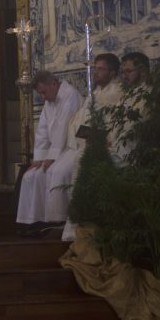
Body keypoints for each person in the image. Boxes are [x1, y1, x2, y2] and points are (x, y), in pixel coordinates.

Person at [49, 54, 123, 239]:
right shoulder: (95, 95)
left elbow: (117, 124)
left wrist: (101, 138)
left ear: (113, 72)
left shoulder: (119, 94)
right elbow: (81, 121)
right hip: (88, 144)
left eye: (100, 69)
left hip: (106, 147)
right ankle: (74, 226)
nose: (95, 73)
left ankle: (85, 227)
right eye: (95, 68)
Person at [15, 71, 83, 236]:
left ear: (53, 84)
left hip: (71, 147)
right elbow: (43, 131)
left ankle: (57, 220)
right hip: (56, 150)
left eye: (44, 92)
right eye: (40, 94)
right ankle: (34, 221)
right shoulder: (50, 101)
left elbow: (62, 130)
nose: (43, 97)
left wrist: (52, 158)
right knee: (30, 176)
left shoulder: (70, 96)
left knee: (54, 172)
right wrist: (39, 158)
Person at [110, 51, 150, 165]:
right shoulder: (128, 94)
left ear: (142, 71)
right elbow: (115, 122)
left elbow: (134, 127)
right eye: (122, 72)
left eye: (128, 71)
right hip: (116, 147)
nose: (124, 76)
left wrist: (113, 144)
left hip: (130, 152)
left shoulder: (148, 95)